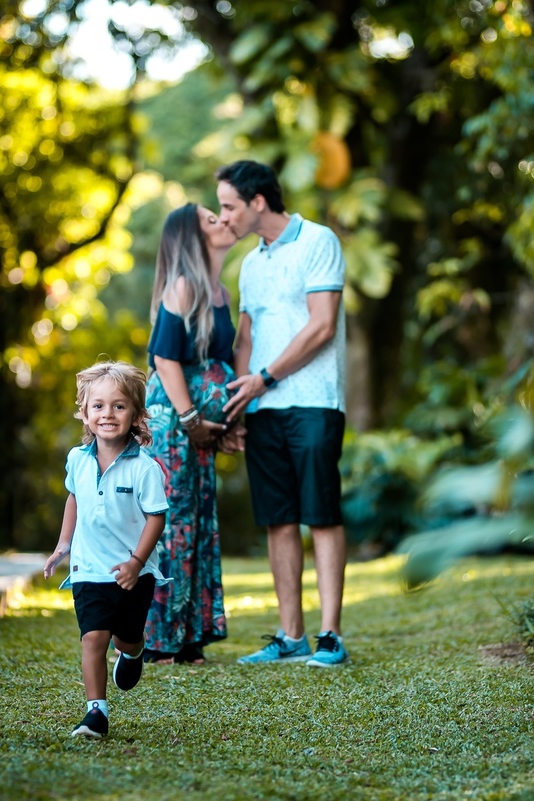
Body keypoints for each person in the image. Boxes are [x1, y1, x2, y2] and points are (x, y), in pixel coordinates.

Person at [216, 160, 350, 668]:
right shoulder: (250, 264)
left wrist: (265, 378)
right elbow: (245, 339)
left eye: (229, 206)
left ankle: (330, 635)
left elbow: (322, 326)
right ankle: (291, 636)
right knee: (278, 520)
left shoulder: (318, 241)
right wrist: (238, 408)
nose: (224, 217)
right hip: (263, 408)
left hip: (315, 402)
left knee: (321, 514)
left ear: (257, 202)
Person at [43, 360, 170, 738]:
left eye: (119, 406)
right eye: (98, 405)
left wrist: (135, 562)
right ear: (84, 413)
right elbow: (74, 498)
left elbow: (156, 518)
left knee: (123, 636)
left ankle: (134, 650)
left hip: (134, 573)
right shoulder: (76, 460)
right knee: (93, 638)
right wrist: (63, 544)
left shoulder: (145, 468)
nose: (107, 414)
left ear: (136, 415)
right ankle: (95, 712)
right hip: (89, 568)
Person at [140, 202, 242, 665]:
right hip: (173, 423)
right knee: (172, 523)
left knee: (199, 520)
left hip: (197, 428)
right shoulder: (183, 287)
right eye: (210, 219)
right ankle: (158, 639)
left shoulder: (220, 292)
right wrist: (192, 420)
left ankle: (189, 637)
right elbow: (165, 359)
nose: (222, 220)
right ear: (192, 238)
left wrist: (224, 425)